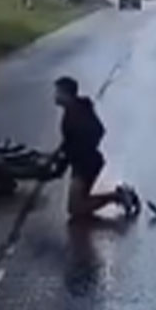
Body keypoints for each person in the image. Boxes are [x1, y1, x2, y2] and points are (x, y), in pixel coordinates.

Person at [53, 76, 140, 222]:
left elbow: (95, 132)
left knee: (76, 207)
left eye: (58, 92)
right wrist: (58, 155)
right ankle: (118, 196)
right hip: (83, 162)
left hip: (86, 164)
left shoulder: (77, 112)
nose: (55, 96)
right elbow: (70, 140)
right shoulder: (74, 110)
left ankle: (119, 196)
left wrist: (78, 151)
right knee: (76, 206)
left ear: (66, 94)